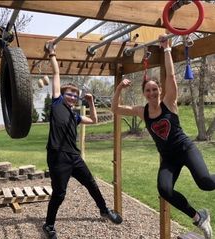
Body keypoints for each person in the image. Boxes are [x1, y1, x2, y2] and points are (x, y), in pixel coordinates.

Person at [111, 35, 214, 239]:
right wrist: (119, 88)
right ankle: (198, 217)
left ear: (160, 90)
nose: (151, 93)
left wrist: (166, 49)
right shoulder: (142, 111)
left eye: (154, 89)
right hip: (169, 159)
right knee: (164, 189)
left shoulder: (169, 102)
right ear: (144, 93)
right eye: (148, 90)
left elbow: (171, 79)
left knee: (205, 182)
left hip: (185, 149)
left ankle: (202, 208)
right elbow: (115, 108)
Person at [42, 40, 122, 239]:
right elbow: (56, 75)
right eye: (69, 94)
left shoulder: (75, 116)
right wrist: (52, 53)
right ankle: (49, 225)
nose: (71, 97)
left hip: (73, 157)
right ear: (63, 95)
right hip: (57, 157)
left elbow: (94, 119)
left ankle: (104, 210)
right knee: (59, 193)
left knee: (92, 184)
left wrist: (91, 102)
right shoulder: (57, 103)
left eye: (74, 96)